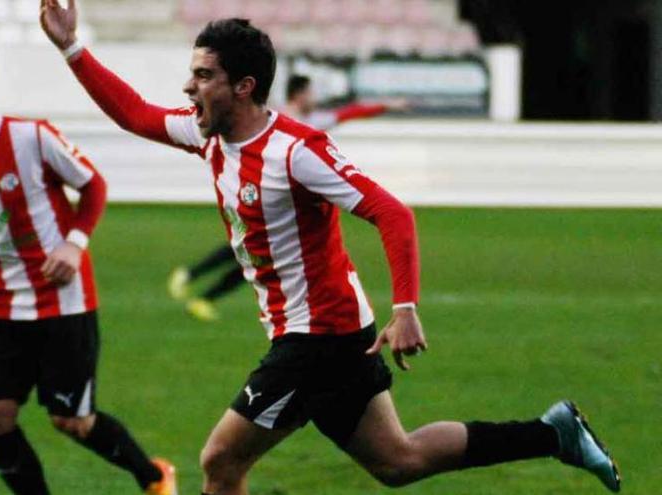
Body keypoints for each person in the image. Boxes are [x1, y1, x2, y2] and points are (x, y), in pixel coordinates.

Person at [40, 3, 621, 494]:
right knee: (398, 460)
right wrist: (72, 50)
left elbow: (391, 212)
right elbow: (134, 113)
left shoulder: (297, 152)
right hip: (328, 330)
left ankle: (555, 432)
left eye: (203, 75)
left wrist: (407, 307)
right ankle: (555, 432)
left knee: (220, 462)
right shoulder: (206, 133)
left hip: (316, 336)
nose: (189, 87)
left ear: (243, 87)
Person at [0, 51, 177, 495]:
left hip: (63, 297)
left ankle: (154, 477)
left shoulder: (31, 138)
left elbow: (92, 185)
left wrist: (74, 244)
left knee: (72, 421)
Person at [168, 73, 407, 322]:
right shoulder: (275, 116)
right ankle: (195, 284)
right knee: (250, 252)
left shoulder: (312, 119)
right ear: (300, 94)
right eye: (311, 92)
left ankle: (195, 287)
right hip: (262, 192)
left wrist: (387, 106)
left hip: (282, 201)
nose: (315, 98)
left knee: (250, 255)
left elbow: (351, 113)